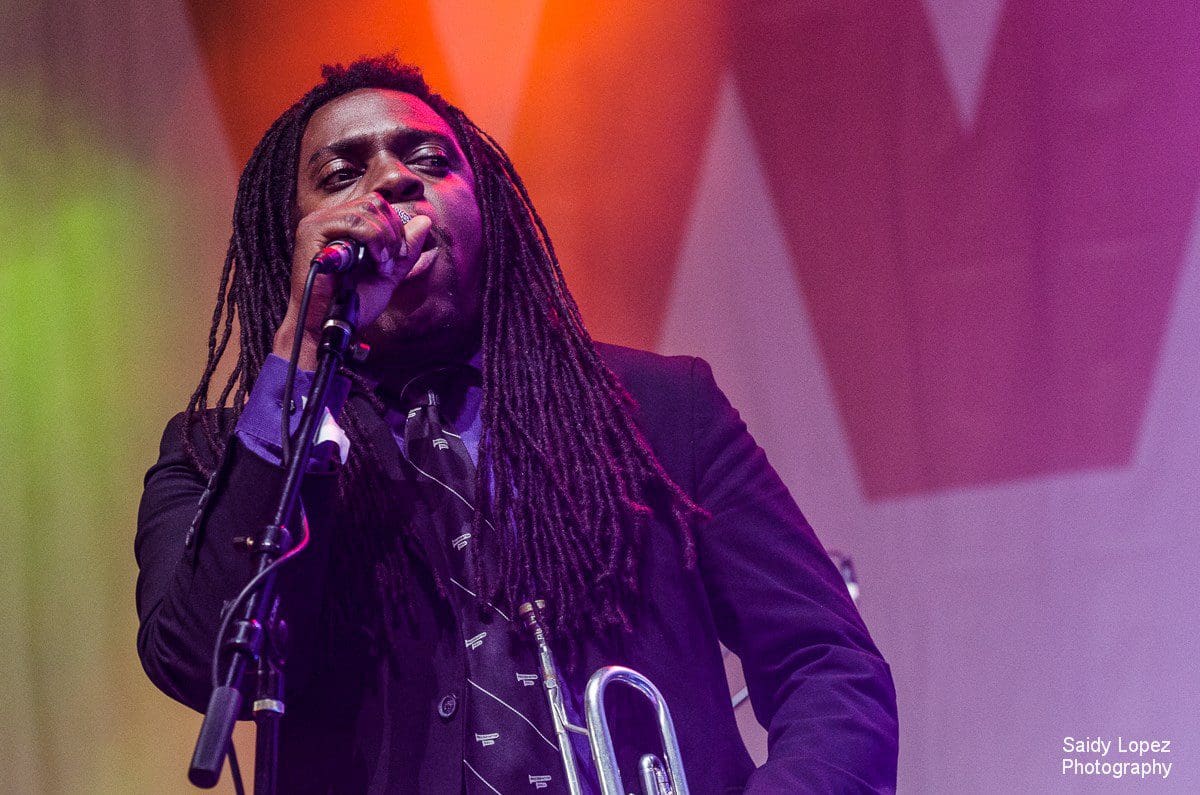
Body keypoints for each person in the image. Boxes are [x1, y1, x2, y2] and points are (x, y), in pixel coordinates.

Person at [135, 55, 898, 793]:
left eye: (429, 160)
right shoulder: (216, 458)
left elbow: (829, 666)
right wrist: (303, 349)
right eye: (342, 175)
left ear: (487, 208)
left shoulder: (664, 408)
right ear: (292, 239)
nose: (395, 181)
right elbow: (200, 662)